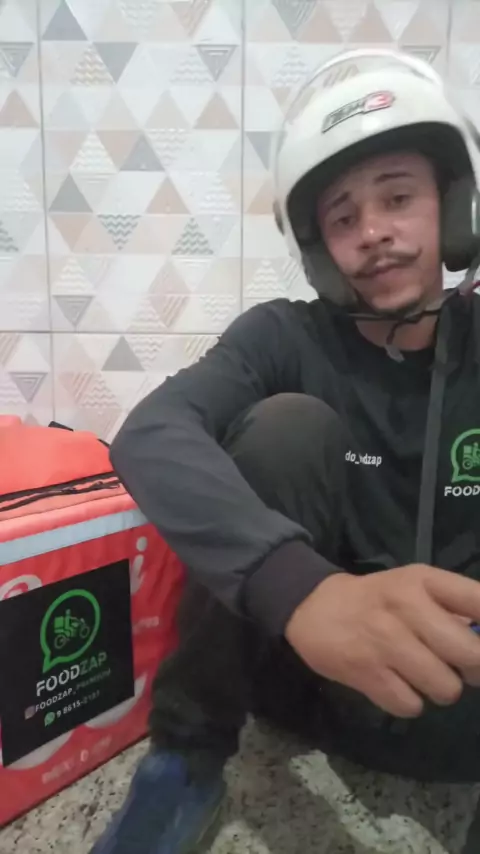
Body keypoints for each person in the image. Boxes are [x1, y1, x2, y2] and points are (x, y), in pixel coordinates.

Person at [91, 49, 480, 854]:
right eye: (342, 218)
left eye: (398, 198)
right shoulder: (283, 335)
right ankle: (185, 764)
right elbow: (153, 432)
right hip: (307, 680)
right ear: (318, 247)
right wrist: (302, 590)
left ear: (452, 204)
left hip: (460, 691)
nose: (373, 232)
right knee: (286, 427)